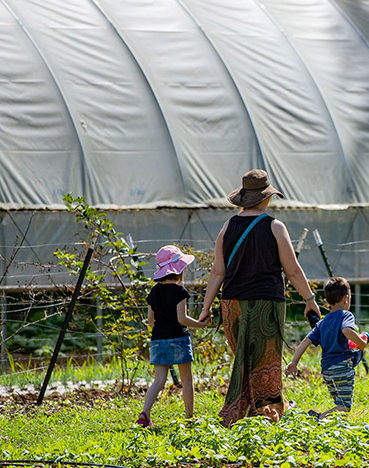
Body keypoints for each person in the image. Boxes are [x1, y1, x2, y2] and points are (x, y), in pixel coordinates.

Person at [198, 169, 322, 427]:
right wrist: (310, 298)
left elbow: (218, 270)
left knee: (243, 358)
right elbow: (292, 270)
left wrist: (206, 306)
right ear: (266, 198)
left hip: (232, 304)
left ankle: (243, 409)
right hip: (266, 303)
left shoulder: (228, 226)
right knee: (265, 361)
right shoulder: (275, 227)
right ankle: (266, 410)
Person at [136, 245, 211, 428]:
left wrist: (161, 331)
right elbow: (182, 319)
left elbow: (150, 319)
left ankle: (145, 413)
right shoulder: (180, 292)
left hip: (158, 339)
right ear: (179, 270)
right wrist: (200, 324)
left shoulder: (154, 292)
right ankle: (189, 417)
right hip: (179, 338)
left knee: (159, 380)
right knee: (186, 380)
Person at [285, 277, 369, 420]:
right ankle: (319, 418)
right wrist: (361, 343)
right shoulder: (346, 315)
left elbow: (306, 341)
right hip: (342, 367)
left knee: (339, 402)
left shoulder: (322, 323)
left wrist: (294, 363)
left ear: (328, 300)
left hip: (327, 370)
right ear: (346, 298)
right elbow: (347, 331)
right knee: (344, 406)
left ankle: (329, 421)